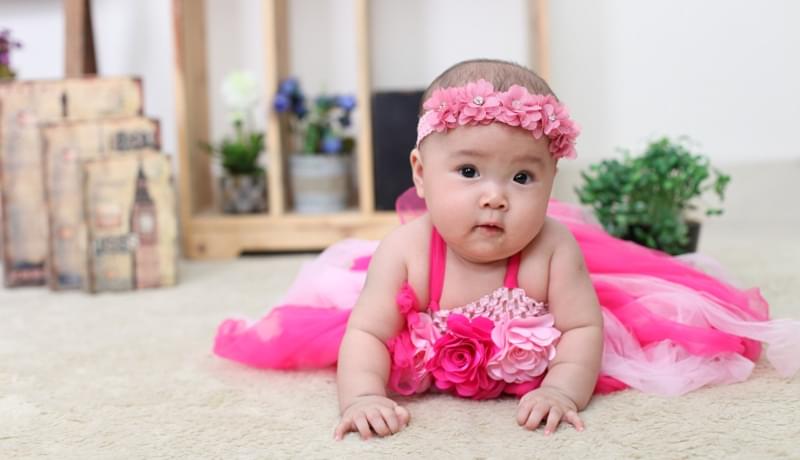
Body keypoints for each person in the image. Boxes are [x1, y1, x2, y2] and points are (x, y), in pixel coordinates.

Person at [213, 59, 800, 441]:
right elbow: (366, 333)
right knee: (356, 321)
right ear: (420, 173)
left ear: (550, 182)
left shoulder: (553, 250)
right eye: (468, 171)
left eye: (523, 178)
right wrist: (363, 395)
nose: (495, 197)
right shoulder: (407, 252)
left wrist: (561, 387)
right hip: (403, 299)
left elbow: (582, 328)